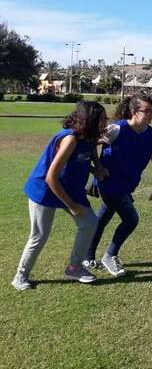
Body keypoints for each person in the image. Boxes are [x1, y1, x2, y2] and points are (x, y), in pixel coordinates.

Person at [12, 101, 107, 290]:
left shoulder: (89, 137)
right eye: (102, 119)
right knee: (39, 235)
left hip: (70, 188)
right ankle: (20, 276)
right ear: (89, 120)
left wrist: (97, 168)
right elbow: (51, 177)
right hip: (46, 189)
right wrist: (71, 205)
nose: (105, 123)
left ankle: (74, 267)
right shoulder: (70, 139)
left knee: (89, 222)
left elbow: (87, 154)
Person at [83, 96, 152, 277]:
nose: (151, 114)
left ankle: (87, 256)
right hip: (110, 184)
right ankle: (109, 256)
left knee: (102, 219)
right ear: (133, 112)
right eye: (146, 111)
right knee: (131, 219)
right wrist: (97, 169)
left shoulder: (151, 134)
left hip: (127, 185)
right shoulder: (117, 129)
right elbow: (88, 144)